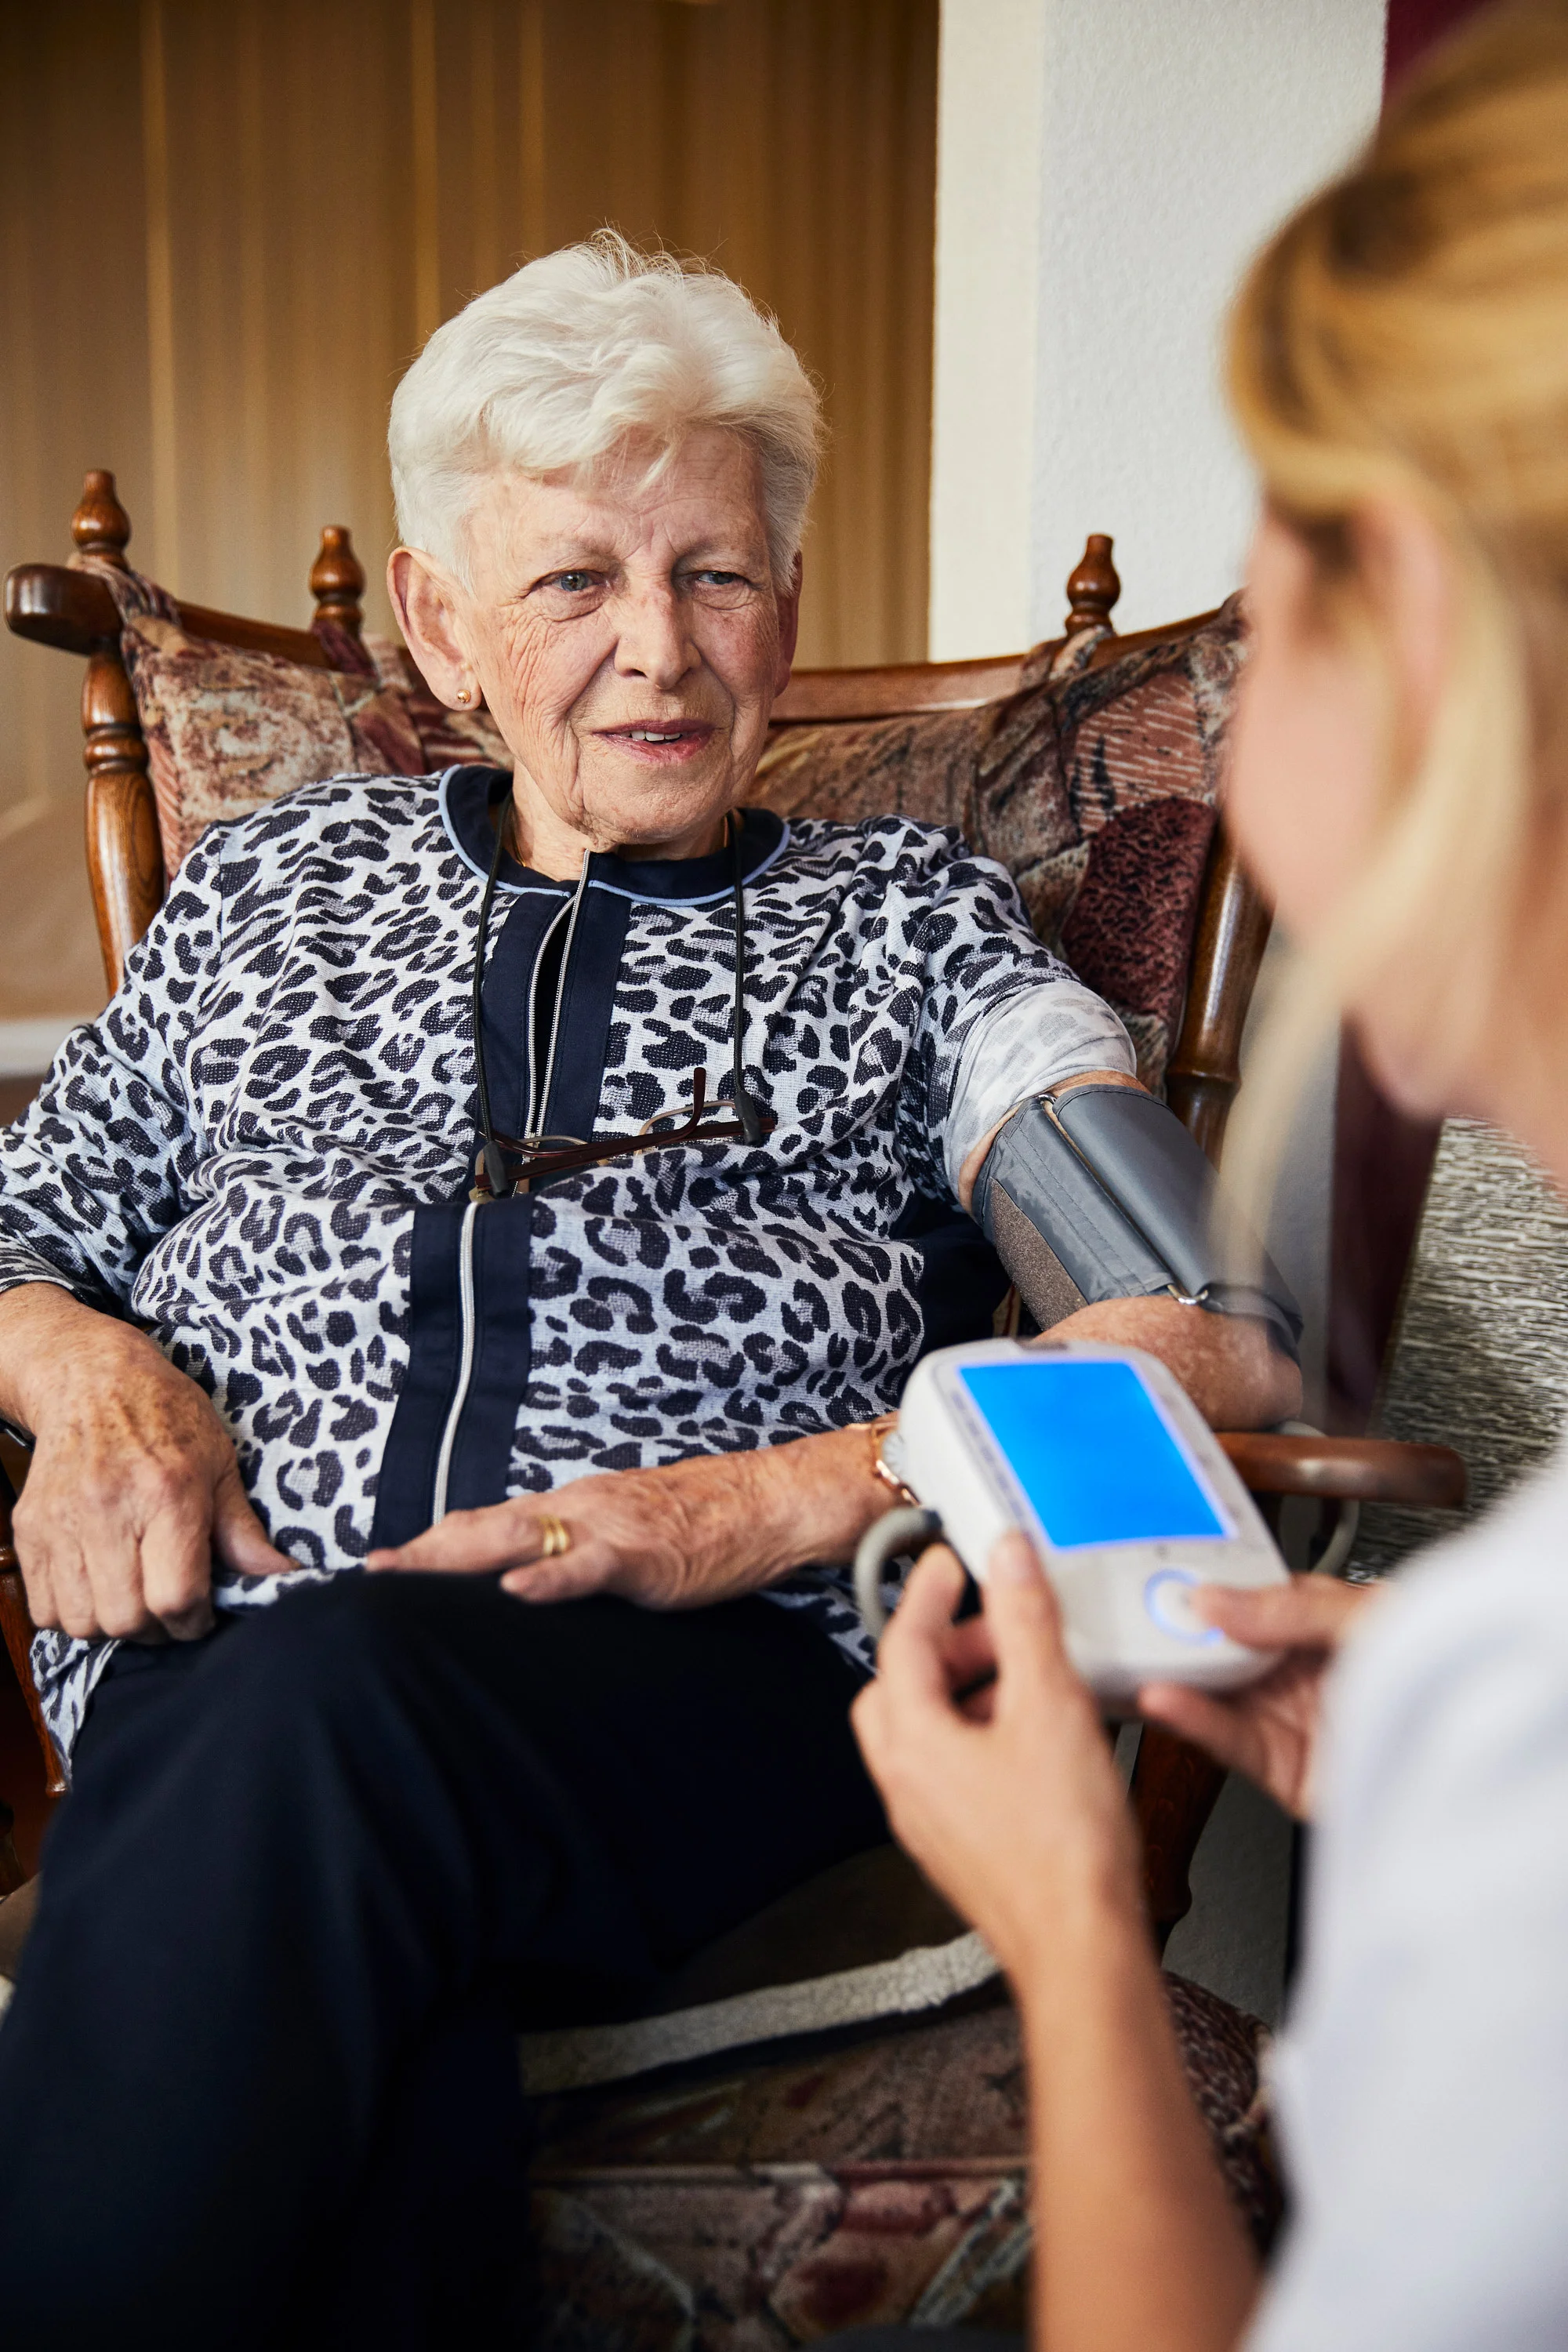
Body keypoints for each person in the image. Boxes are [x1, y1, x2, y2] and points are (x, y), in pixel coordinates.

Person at [0, 234, 1291, 2346]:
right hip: (215, 1669)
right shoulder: (264, 894)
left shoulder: (912, 925)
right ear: (440, 623)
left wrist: (762, 1501)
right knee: (344, 1945)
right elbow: (22, 1231)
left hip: (718, 1686)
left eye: (717, 573)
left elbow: (1207, 1319)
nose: (660, 653)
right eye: (575, 581)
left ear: (789, 597)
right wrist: (84, 1378)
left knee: (315, 1734)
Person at [849, 5, 1568, 2349]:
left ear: (1429, 656)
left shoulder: (1525, 1696)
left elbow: (1172, 1271)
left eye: (1267, 644)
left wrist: (1071, 1927)